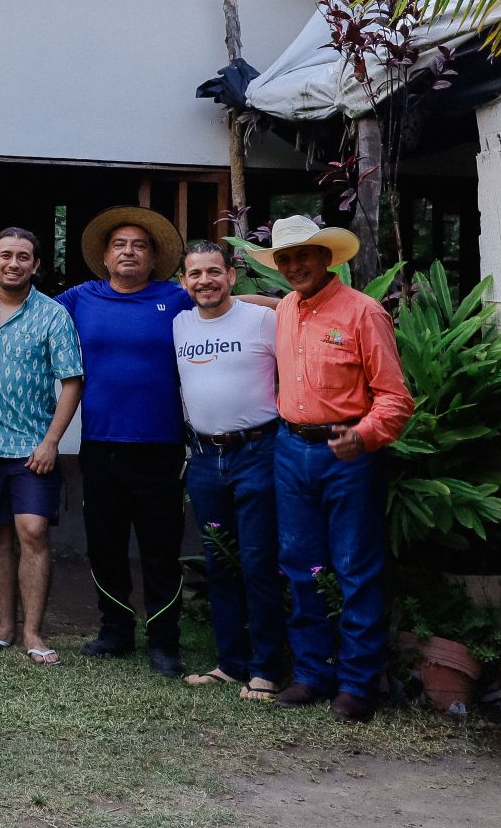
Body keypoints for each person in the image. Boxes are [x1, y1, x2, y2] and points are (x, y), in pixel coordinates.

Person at [250, 216, 414, 722]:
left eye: (304, 255)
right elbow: (238, 306)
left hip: (348, 453)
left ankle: (358, 685)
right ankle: (311, 675)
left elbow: (395, 399)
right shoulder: (283, 312)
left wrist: (363, 436)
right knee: (300, 566)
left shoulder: (364, 313)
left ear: (327, 258)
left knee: (354, 568)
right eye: (285, 258)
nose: (294, 265)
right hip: (290, 448)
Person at [55, 207, 196, 676]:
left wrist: (288, 303)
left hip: (161, 447)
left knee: (160, 546)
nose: (129, 252)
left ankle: (164, 641)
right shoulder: (81, 298)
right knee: (104, 543)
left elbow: (229, 302)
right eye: (120, 245)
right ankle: (114, 630)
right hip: (100, 444)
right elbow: (21, 307)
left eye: (139, 245)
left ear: (154, 257)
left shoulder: (175, 298)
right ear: (105, 255)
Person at [0, 226, 84, 666]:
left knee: (33, 530)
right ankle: (4, 627)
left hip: (31, 447)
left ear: (36, 265)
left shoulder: (52, 316)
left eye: (23, 257)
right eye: (5, 255)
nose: (13, 263)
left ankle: (33, 632)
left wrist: (51, 441)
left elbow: (72, 381)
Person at [174, 241, 287, 701]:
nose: (205, 281)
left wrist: (249, 301)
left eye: (214, 272)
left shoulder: (263, 320)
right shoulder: (179, 324)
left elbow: (297, 308)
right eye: (195, 274)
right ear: (184, 282)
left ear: (232, 275)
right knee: (220, 562)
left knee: (259, 562)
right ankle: (230, 664)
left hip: (257, 453)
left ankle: (266, 669)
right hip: (203, 459)